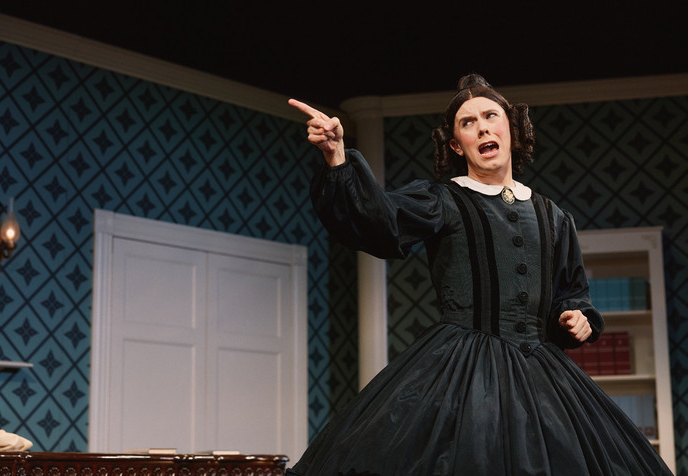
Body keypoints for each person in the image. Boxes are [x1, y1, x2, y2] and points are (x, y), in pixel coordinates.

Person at [286, 75, 672, 475]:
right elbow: (379, 220)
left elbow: (572, 294)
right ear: (457, 144)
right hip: (462, 372)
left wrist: (577, 318)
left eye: (491, 116)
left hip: (543, 375)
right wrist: (336, 155)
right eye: (468, 123)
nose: (483, 127)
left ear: (511, 129)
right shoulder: (443, 200)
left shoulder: (553, 216)